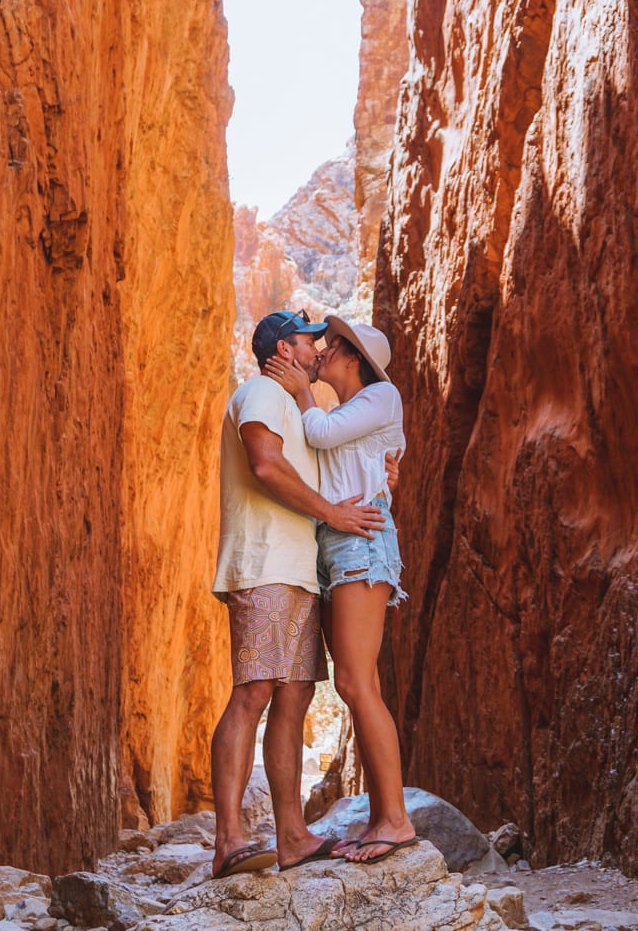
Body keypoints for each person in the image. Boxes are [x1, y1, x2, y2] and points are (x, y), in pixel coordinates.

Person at [210, 309, 388, 878]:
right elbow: (265, 466)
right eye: (313, 342)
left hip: (300, 572)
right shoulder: (261, 392)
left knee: (294, 699)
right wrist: (334, 513)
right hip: (264, 565)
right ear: (286, 349)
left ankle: (292, 837)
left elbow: (333, 466)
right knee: (254, 690)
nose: (320, 350)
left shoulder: (296, 407)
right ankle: (229, 840)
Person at [265, 315, 417, 865]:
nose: (323, 350)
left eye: (332, 345)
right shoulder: (344, 415)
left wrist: (302, 390)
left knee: (355, 682)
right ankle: (382, 817)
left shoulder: (381, 395)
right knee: (360, 682)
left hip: (361, 545)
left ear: (354, 358)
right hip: (335, 545)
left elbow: (322, 436)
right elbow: (329, 465)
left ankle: (397, 821)